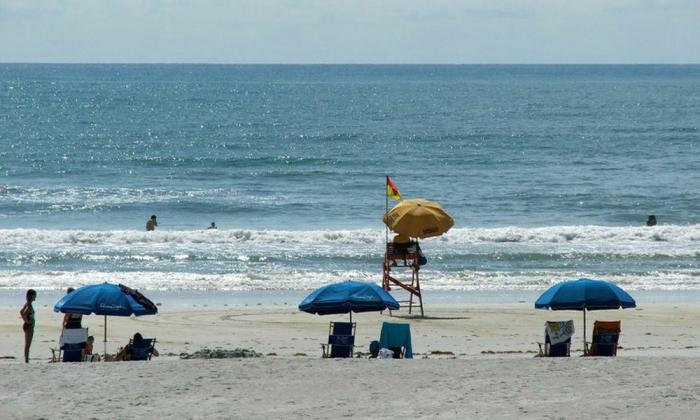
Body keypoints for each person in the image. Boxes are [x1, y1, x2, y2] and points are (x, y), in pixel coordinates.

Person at [20, 289, 37, 363]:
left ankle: (27, 359)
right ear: (32, 296)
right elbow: (23, 313)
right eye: (35, 295)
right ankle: (26, 360)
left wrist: (26, 320)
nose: (36, 297)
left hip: (27, 325)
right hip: (29, 326)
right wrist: (27, 321)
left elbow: (21, 311)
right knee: (28, 344)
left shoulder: (27, 303)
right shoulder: (29, 305)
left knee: (27, 344)